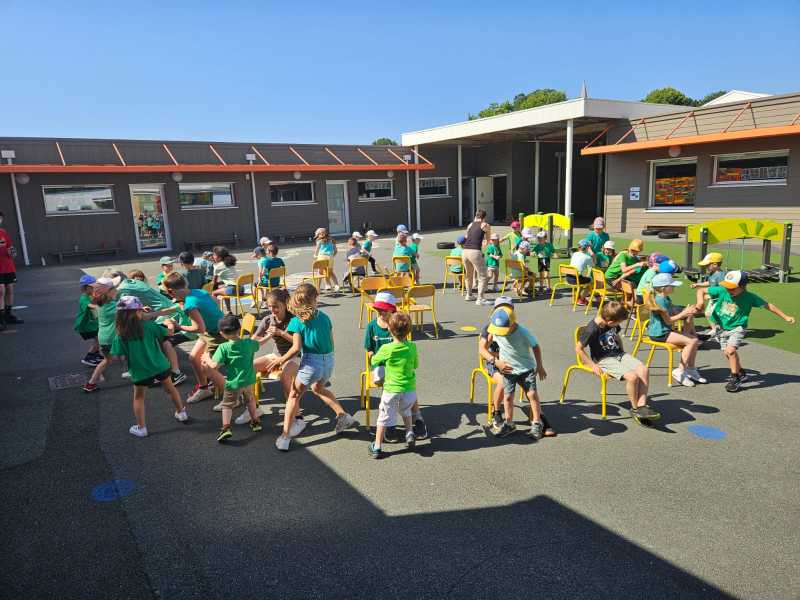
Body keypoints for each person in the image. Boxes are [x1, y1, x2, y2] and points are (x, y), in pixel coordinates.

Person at [268, 283, 356, 451]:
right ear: (315, 299)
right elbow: (331, 342)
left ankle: (285, 437)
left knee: (293, 396)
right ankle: (342, 415)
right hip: (328, 361)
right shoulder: (324, 317)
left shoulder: (296, 321)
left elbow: (296, 348)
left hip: (311, 362)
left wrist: (280, 360)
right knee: (318, 388)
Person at [109, 296, 188, 437]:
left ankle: (142, 428)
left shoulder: (120, 334)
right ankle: (181, 413)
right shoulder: (149, 326)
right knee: (171, 388)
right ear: (138, 312)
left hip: (140, 371)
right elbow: (169, 333)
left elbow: (116, 355)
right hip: (160, 365)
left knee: (139, 398)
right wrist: (169, 323)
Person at [707, 271, 795, 393]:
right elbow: (703, 291)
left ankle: (735, 378)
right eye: (727, 287)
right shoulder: (723, 290)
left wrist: (785, 317)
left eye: (732, 288)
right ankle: (741, 372)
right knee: (728, 354)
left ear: (742, 286)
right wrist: (700, 301)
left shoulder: (750, 297)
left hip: (737, 327)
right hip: (721, 328)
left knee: (730, 351)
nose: (728, 290)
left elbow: (768, 306)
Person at [576, 301, 660, 425]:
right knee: (632, 377)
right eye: (618, 322)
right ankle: (635, 409)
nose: (619, 325)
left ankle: (642, 406)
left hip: (619, 354)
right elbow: (578, 349)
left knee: (644, 369)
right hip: (604, 359)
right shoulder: (592, 329)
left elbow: (616, 336)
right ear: (610, 322)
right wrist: (593, 366)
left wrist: (623, 352)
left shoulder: (611, 322)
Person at [364, 291, 427, 440]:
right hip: (380, 364)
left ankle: (417, 418)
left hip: (397, 366)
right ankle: (391, 423)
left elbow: (406, 349)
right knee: (388, 381)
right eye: (378, 309)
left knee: (405, 380)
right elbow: (369, 350)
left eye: (383, 310)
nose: (380, 313)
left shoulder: (398, 325)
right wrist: (374, 357)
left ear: (392, 310)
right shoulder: (372, 326)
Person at [486, 304, 554, 439]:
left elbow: (535, 346)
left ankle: (537, 423)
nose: (500, 332)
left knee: (532, 394)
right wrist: (495, 358)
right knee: (508, 397)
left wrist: (540, 366)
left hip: (526, 369)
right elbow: (489, 341)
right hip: (508, 370)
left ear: (512, 323)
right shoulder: (496, 331)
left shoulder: (523, 332)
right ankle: (509, 423)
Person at [239, 288, 303, 427]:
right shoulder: (268, 319)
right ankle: (254, 408)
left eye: (276, 306)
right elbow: (255, 340)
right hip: (276, 355)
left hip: (295, 356)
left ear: (285, 304)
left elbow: (299, 344)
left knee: (285, 377)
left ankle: (297, 416)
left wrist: (280, 333)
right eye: (269, 306)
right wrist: (243, 344)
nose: (272, 310)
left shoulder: (293, 319)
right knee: (247, 369)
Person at [161, 272, 227, 403]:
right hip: (215, 329)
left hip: (216, 335)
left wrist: (178, 326)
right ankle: (204, 388)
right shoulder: (199, 291)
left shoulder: (190, 304)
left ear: (170, 292)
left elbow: (199, 328)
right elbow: (216, 301)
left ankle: (232, 397)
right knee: (193, 358)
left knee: (207, 368)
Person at [204, 314, 264, 443]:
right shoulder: (248, 343)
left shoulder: (223, 347)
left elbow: (214, 366)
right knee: (250, 400)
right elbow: (259, 343)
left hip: (233, 384)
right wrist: (270, 335)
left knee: (227, 405)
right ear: (239, 329)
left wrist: (206, 358)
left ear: (222, 333)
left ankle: (226, 428)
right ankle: (255, 422)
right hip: (249, 380)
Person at [368, 312, 419, 458]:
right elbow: (416, 365)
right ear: (409, 330)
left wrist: (373, 356)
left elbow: (374, 361)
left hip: (391, 390)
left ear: (390, 330)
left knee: (383, 416)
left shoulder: (387, 348)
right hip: (409, 390)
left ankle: (377, 446)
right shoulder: (412, 347)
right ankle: (409, 433)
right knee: (406, 410)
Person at [646, 272, 705, 387]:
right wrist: (684, 313)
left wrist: (688, 312)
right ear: (664, 288)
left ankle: (690, 369)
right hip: (659, 334)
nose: (674, 287)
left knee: (694, 340)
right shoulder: (660, 301)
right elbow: (669, 321)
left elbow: (672, 312)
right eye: (672, 285)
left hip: (665, 331)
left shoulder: (665, 298)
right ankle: (680, 371)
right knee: (691, 341)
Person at [478, 296, 514, 429]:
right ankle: (496, 412)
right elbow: (482, 351)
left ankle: (537, 415)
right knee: (503, 381)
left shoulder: (513, 327)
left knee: (527, 378)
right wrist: (495, 359)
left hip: (510, 361)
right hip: (493, 362)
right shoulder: (488, 328)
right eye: (501, 308)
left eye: (508, 309)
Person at [462, 210, 492, 305]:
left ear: (476, 216)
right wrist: (485, 242)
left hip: (465, 251)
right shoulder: (485, 225)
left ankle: (469, 295)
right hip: (475, 251)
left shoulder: (470, 225)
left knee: (469, 275)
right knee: (483, 276)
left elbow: (467, 236)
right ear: (484, 217)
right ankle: (480, 299)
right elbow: (488, 240)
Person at [691, 252, 726, 336]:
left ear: (715, 264)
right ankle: (714, 329)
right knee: (707, 313)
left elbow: (722, 289)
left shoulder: (721, 275)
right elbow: (710, 283)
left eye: (707, 265)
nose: (705, 267)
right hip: (713, 299)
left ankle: (721, 329)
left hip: (719, 300)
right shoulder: (712, 274)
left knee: (715, 314)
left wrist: (709, 295)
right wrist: (698, 284)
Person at [0, 210, 22, 330]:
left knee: (9, 289)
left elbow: (11, 248)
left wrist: (12, 252)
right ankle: (1, 318)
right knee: (1, 291)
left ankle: (8, 315)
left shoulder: (3, 233)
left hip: (8, 266)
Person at [74, 274, 101, 366]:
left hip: (92, 324)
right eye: (92, 287)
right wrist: (100, 308)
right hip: (85, 325)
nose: (94, 288)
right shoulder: (84, 298)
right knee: (98, 341)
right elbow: (90, 306)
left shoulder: (90, 295)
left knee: (98, 339)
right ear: (85, 288)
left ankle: (95, 355)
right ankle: (88, 357)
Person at [568, 239, 594, 306]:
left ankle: (578, 297)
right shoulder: (588, 257)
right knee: (591, 282)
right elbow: (594, 264)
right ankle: (581, 300)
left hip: (568, 277)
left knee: (583, 279)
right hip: (575, 279)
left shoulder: (574, 254)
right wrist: (592, 254)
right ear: (587, 248)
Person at [314, 227, 340, 292]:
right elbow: (336, 251)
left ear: (319, 234)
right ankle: (336, 285)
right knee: (330, 272)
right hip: (330, 257)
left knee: (320, 273)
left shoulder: (319, 240)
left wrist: (315, 255)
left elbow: (317, 249)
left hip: (321, 256)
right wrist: (332, 256)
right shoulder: (332, 240)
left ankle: (318, 288)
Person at [532, 230, 555, 296]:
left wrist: (552, 254)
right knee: (541, 274)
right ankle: (541, 287)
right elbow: (533, 251)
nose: (539, 239)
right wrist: (533, 253)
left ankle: (548, 288)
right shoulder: (537, 245)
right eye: (538, 238)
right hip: (540, 260)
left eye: (541, 238)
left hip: (547, 260)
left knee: (547, 274)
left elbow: (553, 251)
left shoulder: (549, 245)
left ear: (545, 238)